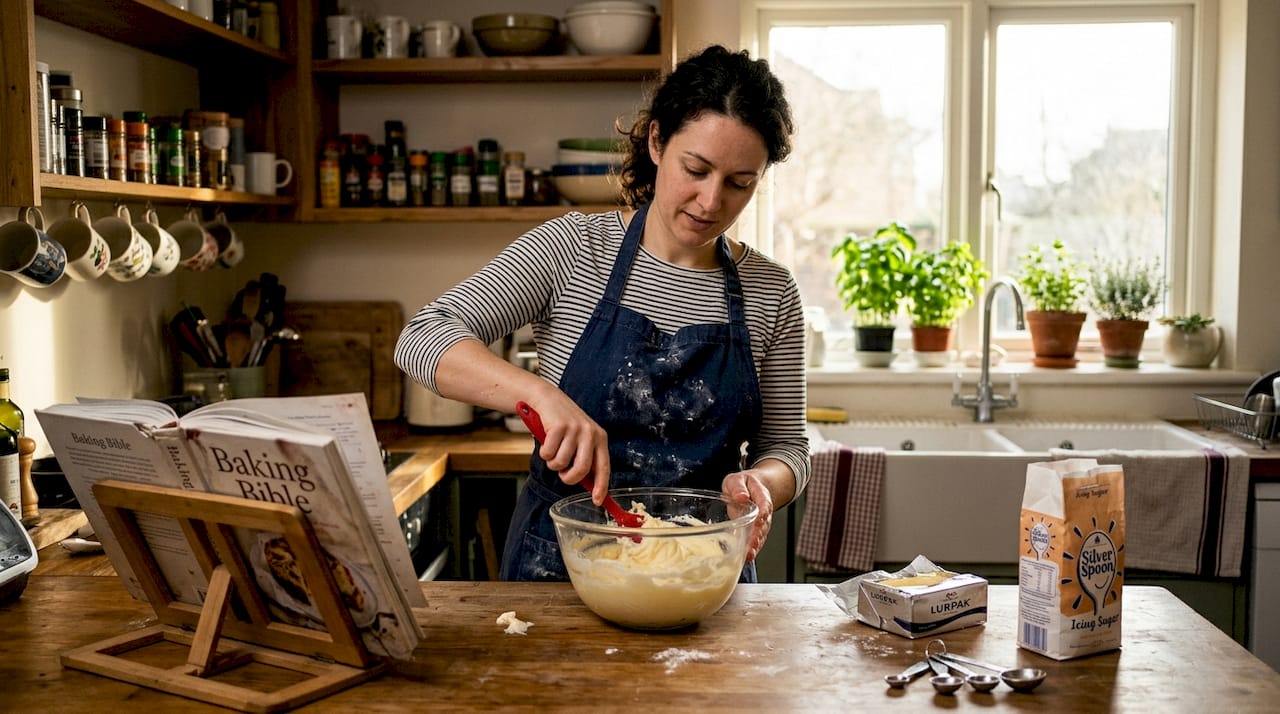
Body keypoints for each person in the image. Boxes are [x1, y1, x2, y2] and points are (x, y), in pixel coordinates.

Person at [394, 44, 809, 582]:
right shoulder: (573, 249)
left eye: (739, 183)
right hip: (559, 568)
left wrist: (762, 484)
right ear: (657, 141)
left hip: (703, 570)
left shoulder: (771, 290)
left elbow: (788, 448)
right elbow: (421, 337)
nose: (711, 202)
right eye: (696, 169)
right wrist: (541, 396)